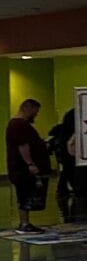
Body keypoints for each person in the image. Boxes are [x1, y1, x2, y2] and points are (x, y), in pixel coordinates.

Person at [5, 98, 45, 235]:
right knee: (24, 194)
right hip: (22, 168)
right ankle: (24, 223)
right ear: (28, 108)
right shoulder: (19, 125)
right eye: (35, 111)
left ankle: (25, 222)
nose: (36, 115)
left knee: (25, 194)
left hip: (21, 167)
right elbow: (23, 145)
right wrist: (30, 163)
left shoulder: (17, 124)